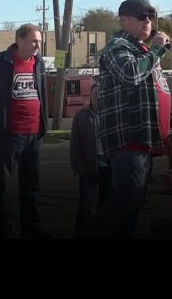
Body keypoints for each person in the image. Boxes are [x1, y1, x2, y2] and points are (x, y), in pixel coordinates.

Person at [85, 0, 172, 238]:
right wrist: (157, 49)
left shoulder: (142, 50)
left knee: (133, 206)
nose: (148, 21)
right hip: (128, 136)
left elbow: (152, 93)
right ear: (124, 20)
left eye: (151, 17)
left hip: (145, 139)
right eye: (141, 16)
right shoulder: (117, 46)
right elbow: (130, 74)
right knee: (126, 200)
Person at [0, 23, 50, 239]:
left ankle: (31, 226)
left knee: (31, 183)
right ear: (20, 40)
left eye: (40, 42)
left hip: (34, 133)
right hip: (10, 133)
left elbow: (41, 91)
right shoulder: (2, 61)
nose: (37, 46)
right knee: (4, 184)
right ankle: (4, 227)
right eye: (34, 41)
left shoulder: (38, 62)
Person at [69, 83, 113, 235]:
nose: (98, 96)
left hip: (108, 167)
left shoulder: (112, 115)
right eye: (95, 94)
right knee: (85, 205)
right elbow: (75, 145)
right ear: (91, 96)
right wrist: (79, 167)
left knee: (106, 204)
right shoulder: (81, 116)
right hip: (88, 168)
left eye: (101, 93)